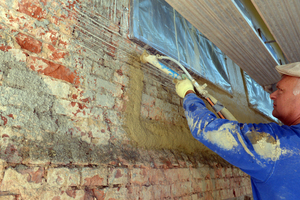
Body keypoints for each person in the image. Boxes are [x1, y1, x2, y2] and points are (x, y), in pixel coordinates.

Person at [175, 62, 300, 200]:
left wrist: (188, 93)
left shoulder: (278, 145)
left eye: (280, 90)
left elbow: (206, 128)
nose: (272, 95)